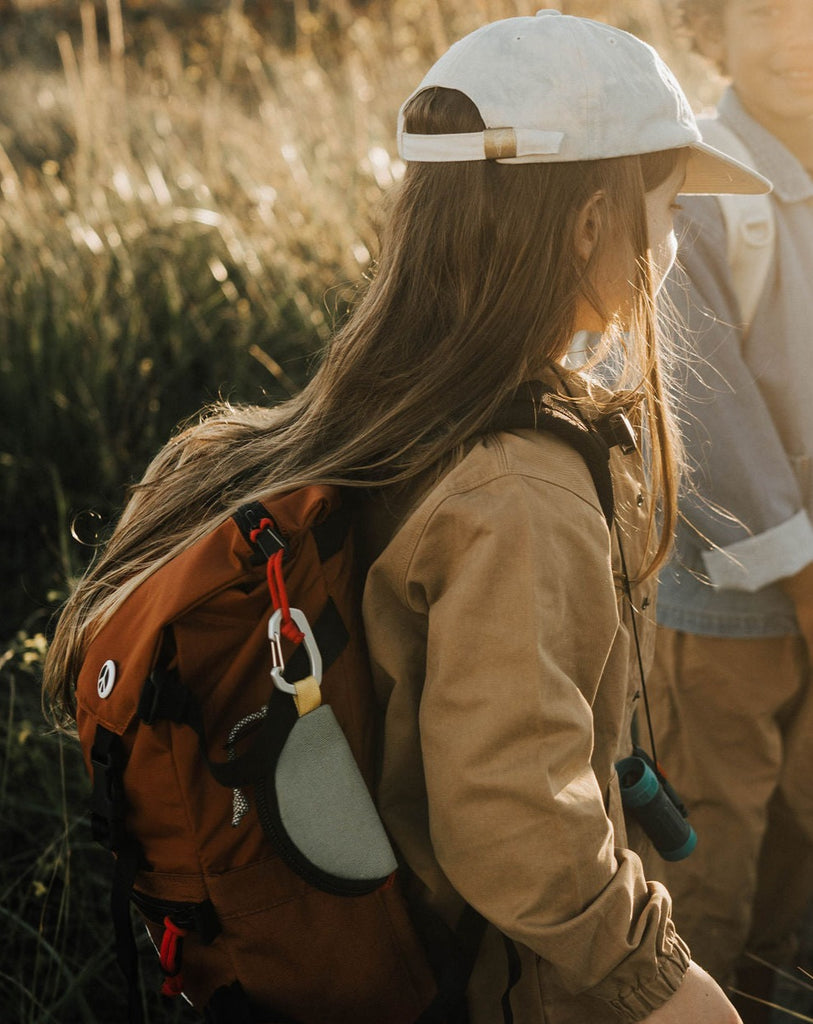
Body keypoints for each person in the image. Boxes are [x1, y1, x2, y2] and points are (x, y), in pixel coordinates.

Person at [42, 12, 768, 1024]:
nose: (678, 235)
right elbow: (513, 818)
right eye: (671, 202)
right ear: (593, 223)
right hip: (471, 989)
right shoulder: (522, 491)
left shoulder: (372, 411)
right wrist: (659, 980)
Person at [645, 0, 813, 1019]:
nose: (796, 33)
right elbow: (702, 408)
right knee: (711, 829)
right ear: (710, 26)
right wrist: (802, 579)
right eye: (764, 9)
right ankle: (689, 996)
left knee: (802, 826)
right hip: (731, 593)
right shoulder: (699, 184)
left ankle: (764, 990)